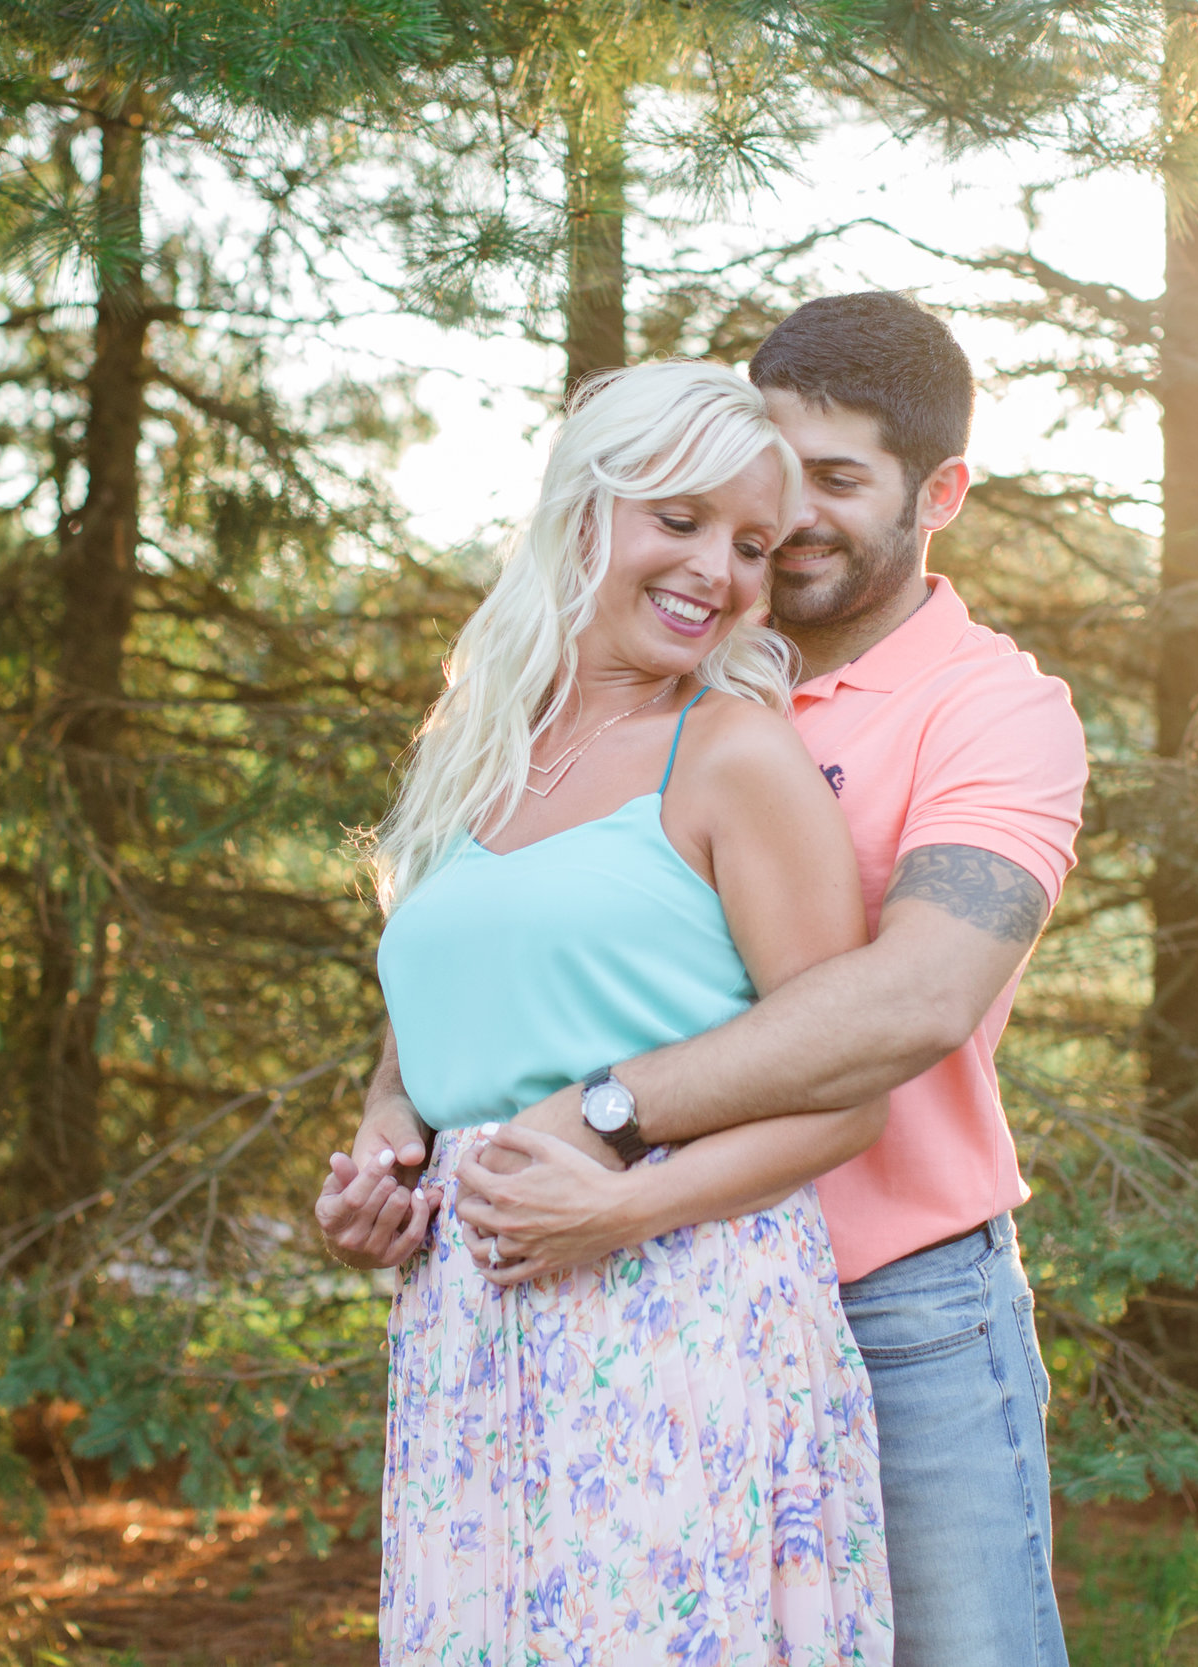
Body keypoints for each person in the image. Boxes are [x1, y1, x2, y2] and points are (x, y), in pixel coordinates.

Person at [330, 294, 1088, 1666]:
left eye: (833, 489)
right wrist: (402, 1119)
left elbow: (911, 1004)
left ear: (943, 494)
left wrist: (597, 1120)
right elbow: (490, 953)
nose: (784, 533)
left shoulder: (989, 710)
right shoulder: (616, 685)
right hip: (556, 1285)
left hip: (892, 1292)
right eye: (755, 499)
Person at [317, 359, 896, 1664]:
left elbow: (849, 1089)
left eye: (753, 544)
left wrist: (625, 1204)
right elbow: (426, 1050)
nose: (719, 570)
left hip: (680, 1307)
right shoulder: (477, 749)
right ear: (586, 509)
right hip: (471, 1333)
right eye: (679, 520)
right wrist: (380, 1174)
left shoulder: (736, 753)